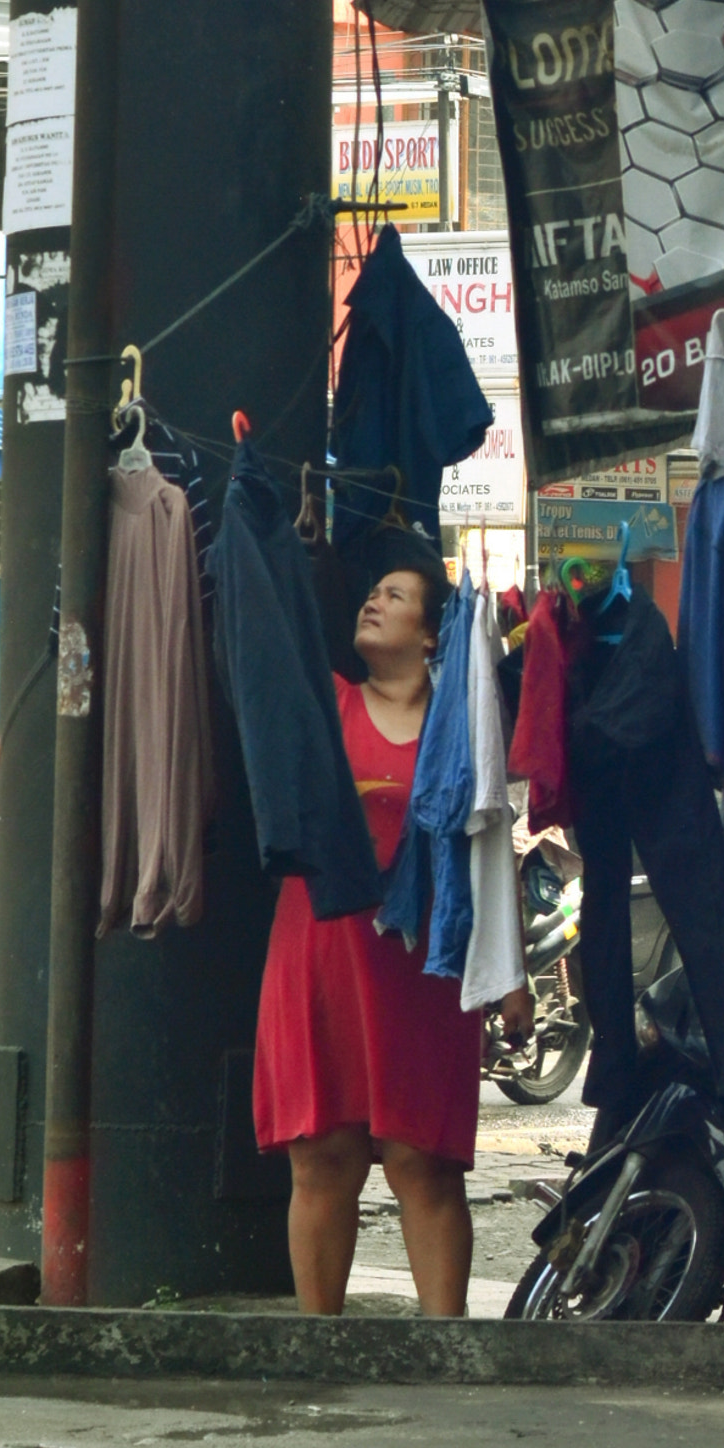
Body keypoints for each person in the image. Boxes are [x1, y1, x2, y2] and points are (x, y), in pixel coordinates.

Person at [252, 541, 532, 1316]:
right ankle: (322, 1339)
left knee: (423, 1160)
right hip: (320, 956)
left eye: (396, 595)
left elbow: (487, 842)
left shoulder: (462, 723)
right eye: (372, 591)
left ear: (434, 632)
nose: (373, 602)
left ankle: (446, 1345)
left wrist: (511, 975)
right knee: (323, 1155)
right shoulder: (327, 703)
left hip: (423, 972)